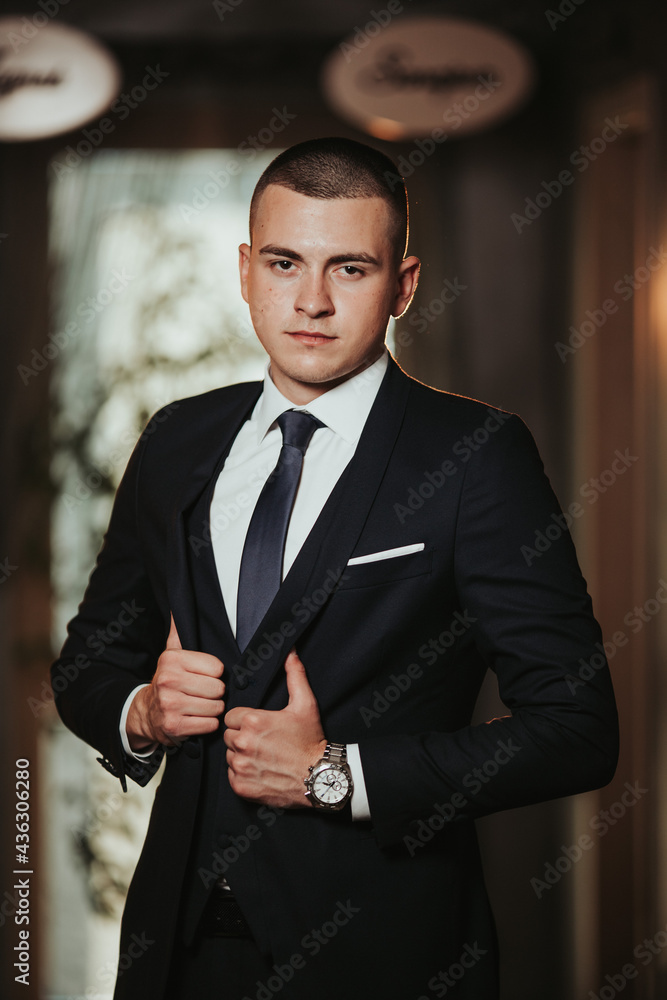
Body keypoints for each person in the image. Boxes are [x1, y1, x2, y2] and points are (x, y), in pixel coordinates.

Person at [52, 136, 618, 1000]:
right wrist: (146, 712)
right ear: (245, 270)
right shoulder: (178, 438)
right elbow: (89, 661)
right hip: (176, 953)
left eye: (349, 269)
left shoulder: (474, 457)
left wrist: (334, 774)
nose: (310, 301)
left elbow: (577, 732)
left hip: (379, 957)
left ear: (404, 284)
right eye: (284, 263)